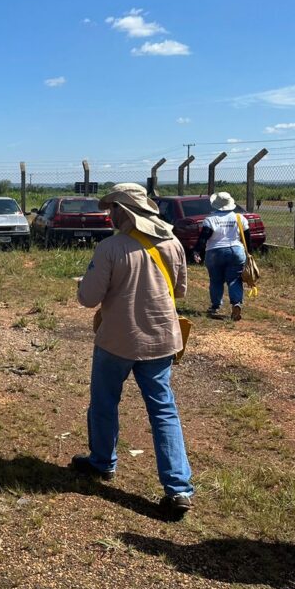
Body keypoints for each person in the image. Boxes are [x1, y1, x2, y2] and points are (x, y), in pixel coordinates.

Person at [71, 183, 194, 519]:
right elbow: (179, 290)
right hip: (161, 341)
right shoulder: (173, 243)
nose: (109, 214)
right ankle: (178, 488)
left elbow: (88, 299)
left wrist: (85, 283)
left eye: (112, 209)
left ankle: (102, 462)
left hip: (116, 341)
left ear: (124, 212)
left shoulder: (110, 248)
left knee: (104, 403)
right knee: (163, 410)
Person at [193, 191, 249, 321]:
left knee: (216, 280)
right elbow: (247, 238)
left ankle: (215, 306)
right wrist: (249, 254)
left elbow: (204, 237)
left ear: (216, 205)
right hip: (236, 251)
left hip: (214, 252)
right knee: (235, 279)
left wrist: (197, 251)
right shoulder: (240, 218)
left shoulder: (210, 219)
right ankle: (236, 303)